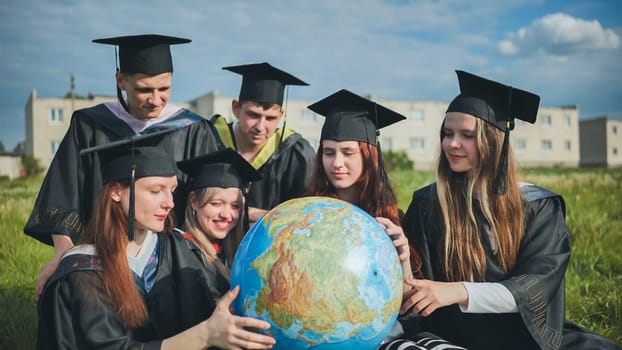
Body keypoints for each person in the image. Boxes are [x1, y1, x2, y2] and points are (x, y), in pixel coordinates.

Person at [401, 70, 621, 349]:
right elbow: (415, 289)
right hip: (450, 336)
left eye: (466, 135)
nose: (452, 144)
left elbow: (535, 289)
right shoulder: (429, 203)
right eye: (447, 133)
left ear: (493, 142)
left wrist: (458, 290)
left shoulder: (538, 206)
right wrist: (403, 256)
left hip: (520, 336)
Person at [24, 34, 223, 296]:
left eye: (164, 89)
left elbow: (214, 194)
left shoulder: (193, 129)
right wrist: (63, 251)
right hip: (104, 257)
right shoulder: (89, 124)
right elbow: (63, 191)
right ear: (121, 80)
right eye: (144, 90)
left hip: (173, 263)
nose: (155, 99)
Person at [37, 132, 275, 350]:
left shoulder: (183, 250)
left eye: (171, 190)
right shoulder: (81, 272)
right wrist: (204, 335)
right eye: (155, 190)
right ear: (116, 192)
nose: (169, 203)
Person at [211, 62, 315, 226]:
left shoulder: (295, 154)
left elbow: (304, 217)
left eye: (270, 118)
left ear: (281, 115)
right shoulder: (209, 140)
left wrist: (250, 213)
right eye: (253, 115)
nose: (260, 127)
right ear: (236, 108)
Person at [176, 148, 261, 273]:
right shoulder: (179, 250)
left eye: (235, 206)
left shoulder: (238, 252)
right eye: (216, 204)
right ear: (194, 202)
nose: (226, 214)